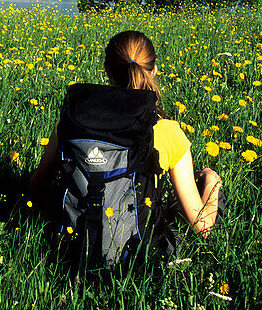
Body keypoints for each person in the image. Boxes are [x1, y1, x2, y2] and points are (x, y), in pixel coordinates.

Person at [30, 30, 223, 239]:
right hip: (136, 250)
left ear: (106, 70)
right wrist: (213, 181)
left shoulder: (73, 120)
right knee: (206, 194)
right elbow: (202, 227)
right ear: (154, 70)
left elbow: (34, 189)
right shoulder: (169, 131)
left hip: (70, 242)